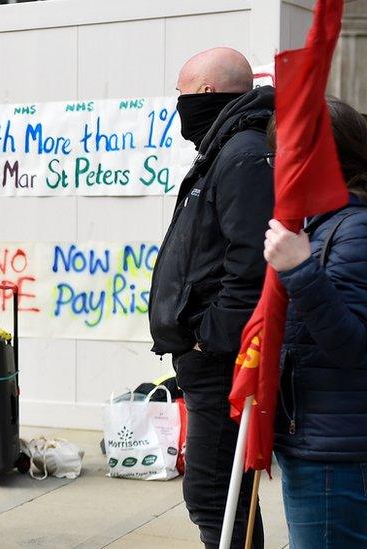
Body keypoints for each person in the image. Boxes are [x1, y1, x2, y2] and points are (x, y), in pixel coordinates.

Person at [148, 47, 275, 548]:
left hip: (221, 363)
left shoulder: (242, 153)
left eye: (181, 94)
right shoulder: (229, 149)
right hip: (210, 362)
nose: (180, 107)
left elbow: (251, 264)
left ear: (204, 92)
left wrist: (209, 341)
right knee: (218, 497)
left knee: (216, 496)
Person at [264, 97, 367, 548]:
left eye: (283, 156)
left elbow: (350, 346)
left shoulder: (354, 229)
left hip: (336, 454)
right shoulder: (321, 226)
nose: (276, 170)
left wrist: (299, 270)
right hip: (317, 439)